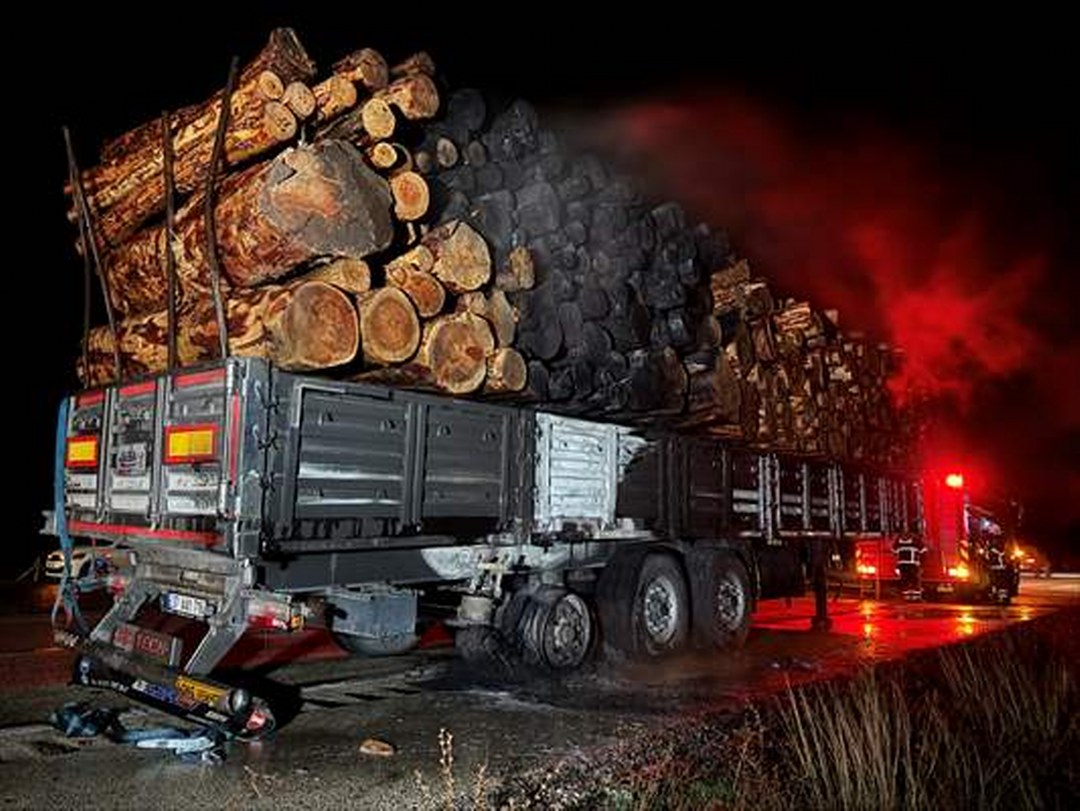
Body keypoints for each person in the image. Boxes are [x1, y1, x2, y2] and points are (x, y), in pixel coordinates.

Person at [894, 534, 925, 601]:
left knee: (905, 581)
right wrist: (921, 562)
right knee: (914, 580)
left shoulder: (898, 542)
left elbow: (894, 551)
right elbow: (923, 551)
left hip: (902, 565)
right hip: (913, 564)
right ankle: (916, 597)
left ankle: (906, 597)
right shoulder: (916, 541)